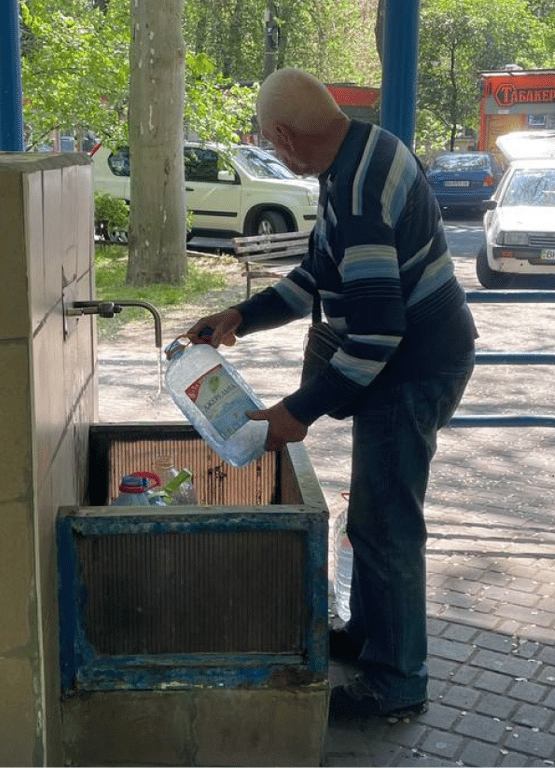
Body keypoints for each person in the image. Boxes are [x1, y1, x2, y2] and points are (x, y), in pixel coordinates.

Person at [186, 68, 477, 719]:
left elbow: (377, 334)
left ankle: (397, 681)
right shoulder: (356, 154)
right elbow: (321, 270)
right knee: (374, 518)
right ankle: (370, 636)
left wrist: (298, 411)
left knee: (387, 526)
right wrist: (244, 314)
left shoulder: (363, 189)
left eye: (266, 139)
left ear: (284, 137)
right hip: (399, 362)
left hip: (412, 370)